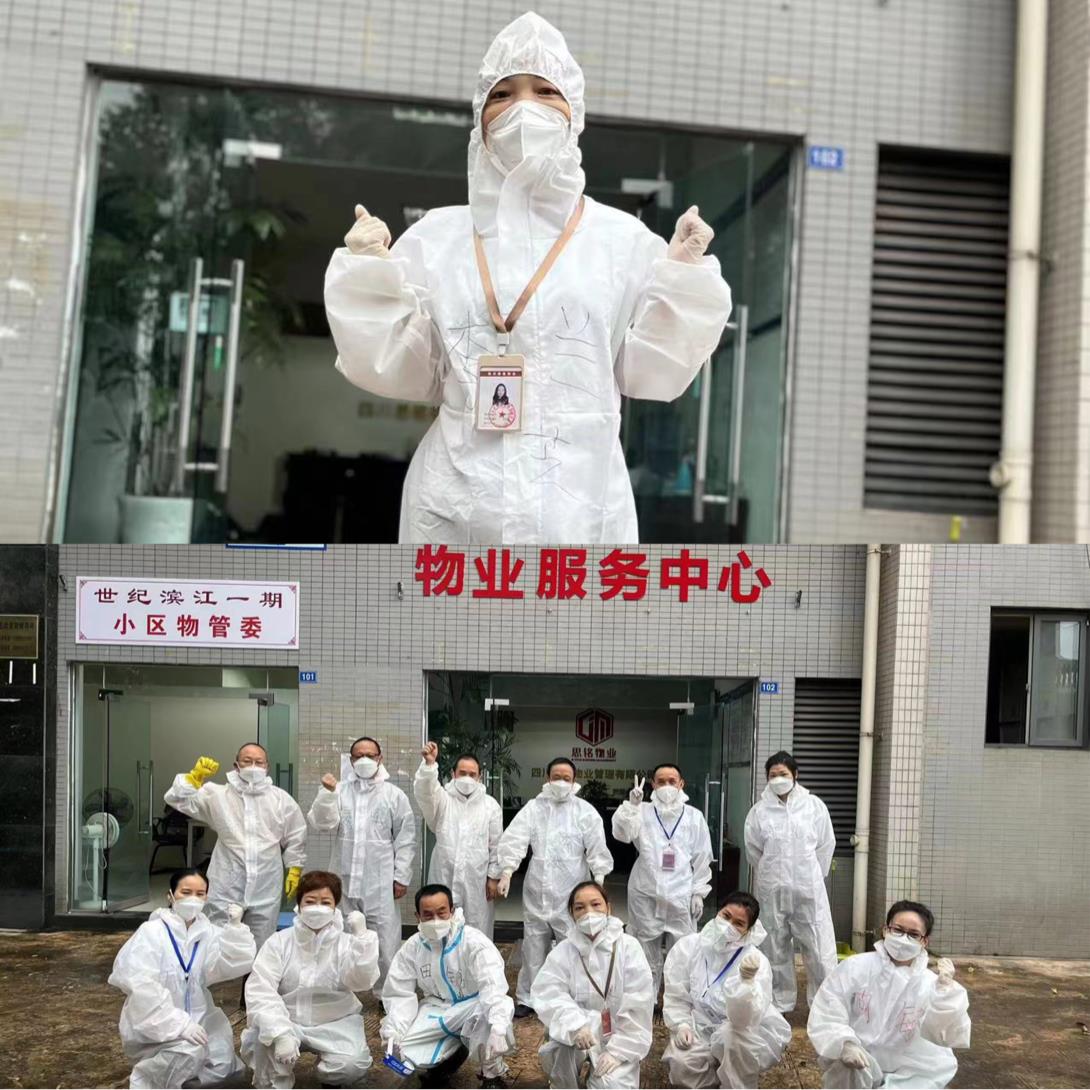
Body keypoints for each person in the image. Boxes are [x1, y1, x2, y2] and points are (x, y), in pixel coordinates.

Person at [324, 11, 732, 545]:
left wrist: (684, 279)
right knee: (447, 607)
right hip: (453, 510)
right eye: (502, 94)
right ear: (479, 120)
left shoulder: (620, 241)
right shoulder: (438, 237)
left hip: (580, 511)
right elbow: (402, 370)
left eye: (545, 91)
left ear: (574, 113)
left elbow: (653, 374)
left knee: (576, 605)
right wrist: (368, 277)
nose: (523, 107)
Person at [108, 868, 255, 1089]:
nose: (193, 899)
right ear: (170, 895)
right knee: (188, 1053)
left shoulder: (206, 932)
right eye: (186, 892)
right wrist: (179, 1024)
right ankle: (147, 1080)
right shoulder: (152, 932)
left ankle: (182, 1081)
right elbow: (141, 986)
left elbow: (233, 964)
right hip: (154, 1022)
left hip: (200, 1018)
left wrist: (235, 930)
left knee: (224, 1067)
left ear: (206, 897)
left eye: (200, 894)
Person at [807, 901, 971, 1089]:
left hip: (910, 1068)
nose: (903, 938)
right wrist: (844, 1043)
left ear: (924, 941)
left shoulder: (930, 984)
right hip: (859, 1058)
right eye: (898, 930)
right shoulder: (855, 968)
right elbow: (829, 1006)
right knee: (847, 1071)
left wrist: (946, 995)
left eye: (913, 934)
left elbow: (946, 1035)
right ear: (885, 930)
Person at [496, 756, 614, 1018]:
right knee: (533, 945)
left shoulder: (584, 811)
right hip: (537, 888)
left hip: (572, 891)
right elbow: (515, 839)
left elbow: (597, 846)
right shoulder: (534, 808)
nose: (561, 782)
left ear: (574, 781)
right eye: (556, 777)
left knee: (572, 944)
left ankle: (572, 995)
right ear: (547, 779)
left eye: (566, 778)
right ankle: (529, 997)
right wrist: (507, 871)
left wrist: (599, 879)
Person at [242, 870, 381, 1089]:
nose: (317, 907)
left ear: (335, 906)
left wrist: (362, 942)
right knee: (263, 1044)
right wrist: (279, 1032)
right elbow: (261, 989)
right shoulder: (279, 942)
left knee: (351, 1065)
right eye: (310, 901)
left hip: (335, 1021)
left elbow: (361, 982)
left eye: (325, 902)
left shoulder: (346, 943)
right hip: (287, 1018)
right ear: (299, 905)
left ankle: (331, 1079)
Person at [165, 744, 306, 949]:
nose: (253, 766)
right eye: (247, 761)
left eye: (259, 762)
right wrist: (194, 778)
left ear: (267, 767)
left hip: (266, 882)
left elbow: (296, 833)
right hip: (226, 882)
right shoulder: (217, 795)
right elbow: (176, 799)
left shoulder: (280, 799)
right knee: (216, 940)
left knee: (261, 942)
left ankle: (256, 972)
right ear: (236, 765)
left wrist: (294, 867)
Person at [307, 735, 416, 995]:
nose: (365, 760)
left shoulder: (394, 795)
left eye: (370, 755)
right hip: (343, 877)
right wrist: (326, 794)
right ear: (351, 759)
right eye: (359, 755)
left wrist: (401, 876)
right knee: (340, 934)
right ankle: (341, 992)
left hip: (379, 879)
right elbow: (322, 824)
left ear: (380, 758)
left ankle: (388, 994)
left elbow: (406, 838)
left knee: (385, 938)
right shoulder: (340, 791)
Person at [381, 883, 515, 1089]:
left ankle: (491, 1075)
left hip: (473, 1005)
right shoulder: (413, 947)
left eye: (441, 912)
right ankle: (444, 1065)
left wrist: (497, 1026)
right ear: (417, 916)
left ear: (452, 911)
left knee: (491, 1014)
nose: (435, 920)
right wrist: (394, 1032)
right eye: (428, 915)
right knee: (403, 1052)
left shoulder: (473, 941)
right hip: (436, 1008)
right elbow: (399, 992)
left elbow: (493, 987)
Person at [530, 880, 654, 1089]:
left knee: (611, 1086)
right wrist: (575, 1025)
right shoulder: (565, 951)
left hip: (618, 1035)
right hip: (578, 1034)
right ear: (572, 914)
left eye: (596, 904)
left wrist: (618, 1052)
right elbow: (548, 993)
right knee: (559, 1050)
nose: (588, 913)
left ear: (608, 908)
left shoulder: (628, 948)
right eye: (580, 907)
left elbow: (639, 1004)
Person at [661, 890, 790, 1089]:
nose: (728, 926)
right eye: (726, 916)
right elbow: (676, 994)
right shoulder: (689, 947)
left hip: (738, 1030)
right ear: (718, 912)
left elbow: (746, 1018)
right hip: (698, 1022)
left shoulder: (755, 961)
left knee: (735, 1045)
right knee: (682, 1063)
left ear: (748, 930)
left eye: (739, 924)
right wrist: (682, 1025)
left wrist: (746, 985)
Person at [743, 749, 837, 1011]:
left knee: (818, 947)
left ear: (795, 775)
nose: (778, 779)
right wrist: (772, 874)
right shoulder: (759, 812)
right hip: (773, 891)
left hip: (808, 889)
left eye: (783, 774)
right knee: (774, 947)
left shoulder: (814, 806)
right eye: (773, 775)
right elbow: (754, 850)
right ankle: (779, 1004)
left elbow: (825, 845)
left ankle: (824, 1008)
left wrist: (811, 876)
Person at [611, 763, 713, 998]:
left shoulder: (693, 816)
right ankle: (646, 997)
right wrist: (631, 806)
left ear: (681, 784)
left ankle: (677, 999)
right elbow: (622, 835)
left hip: (681, 891)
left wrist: (699, 892)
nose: (667, 786)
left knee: (683, 949)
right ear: (653, 784)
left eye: (672, 781)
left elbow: (702, 856)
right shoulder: (642, 810)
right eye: (661, 781)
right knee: (644, 946)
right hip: (646, 890)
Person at [414, 741, 504, 938]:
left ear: (479, 777)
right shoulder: (443, 799)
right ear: (453, 774)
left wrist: (493, 876)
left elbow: (496, 844)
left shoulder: (490, 806)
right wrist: (429, 765)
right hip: (444, 873)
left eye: (472, 774)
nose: (467, 778)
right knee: (441, 924)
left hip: (476, 879)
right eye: (462, 773)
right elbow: (425, 793)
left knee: (477, 928)